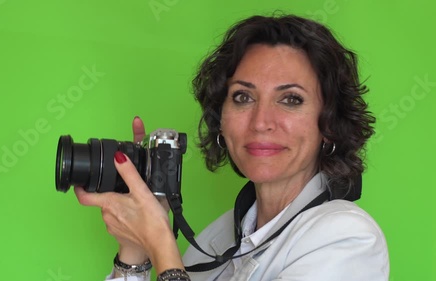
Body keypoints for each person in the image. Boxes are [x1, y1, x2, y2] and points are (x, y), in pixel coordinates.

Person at [74, 14, 390, 280]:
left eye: (290, 99)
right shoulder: (217, 238)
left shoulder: (348, 236)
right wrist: (135, 249)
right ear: (221, 121)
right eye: (243, 97)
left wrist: (161, 244)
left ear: (330, 124)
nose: (261, 121)